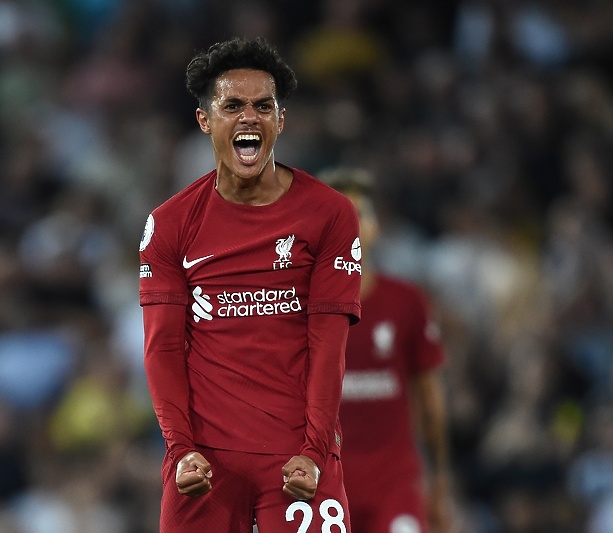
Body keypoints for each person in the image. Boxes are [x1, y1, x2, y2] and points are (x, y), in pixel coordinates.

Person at [138, 37, 362, 533]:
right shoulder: (171, 224)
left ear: (280, 120)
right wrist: (181, 449)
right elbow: (163, 347)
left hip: (298, 459)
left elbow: (329, 345)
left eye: (264, 106)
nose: (249, 117)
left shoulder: (329, 214)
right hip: (205, 464)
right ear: (205, 121)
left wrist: (314, 450)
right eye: (232, 105)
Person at [319, 167, 453, 533]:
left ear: (376, 226)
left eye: (358, 215)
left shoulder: (406, 302)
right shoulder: (298, 311)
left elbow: (431, 401)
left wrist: (440, 480)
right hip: (323, 489)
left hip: (394, 485)